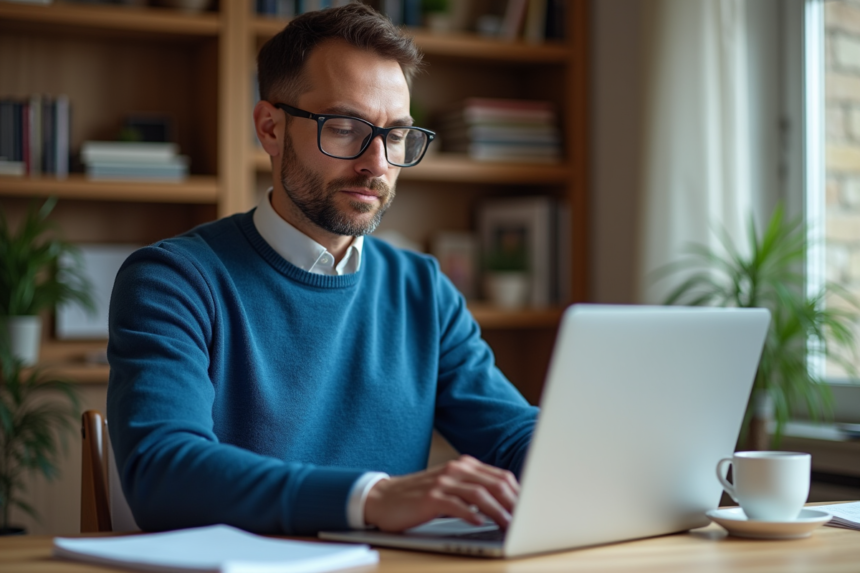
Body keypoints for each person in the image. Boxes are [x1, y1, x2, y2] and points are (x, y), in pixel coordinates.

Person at [107, 3, 538, 536]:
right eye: (344, 127)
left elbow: (513, 435)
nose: (377, 163)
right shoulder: (173, 280)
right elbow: (162, 471)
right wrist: (370, 498)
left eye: (396, 135)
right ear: (270, 128)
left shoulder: (423, 290)